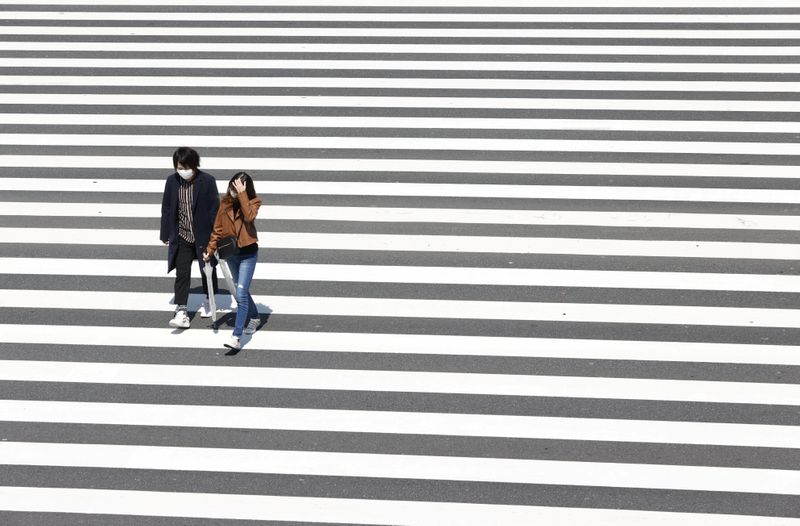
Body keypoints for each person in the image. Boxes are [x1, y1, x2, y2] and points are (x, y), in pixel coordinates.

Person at [159, 147, 219, 328]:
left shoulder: (207, 181)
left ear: (194, 165)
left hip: (203, 236)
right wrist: (165, 232)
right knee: (182, 272)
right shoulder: (172, 181)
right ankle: (182, 310)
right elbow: (167, 208)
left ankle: (210, 299)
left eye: (186, 167)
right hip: (182, 235)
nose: (183, 171)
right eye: (179, 167)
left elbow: (214, 209)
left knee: (207, 269)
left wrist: (215, 237)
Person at [204, 172, 262, 350]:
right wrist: (210, 249)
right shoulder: (225, 203)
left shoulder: (254, 202)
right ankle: (255, 317)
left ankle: (236, 336)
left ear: (245, 188)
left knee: (241, 293)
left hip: (248, 254)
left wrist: (243, 194)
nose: (233, 191)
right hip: (231, 253)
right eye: (232, 187)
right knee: (240, 291)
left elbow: (249, 216)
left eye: (237, 188)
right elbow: (218, 229)